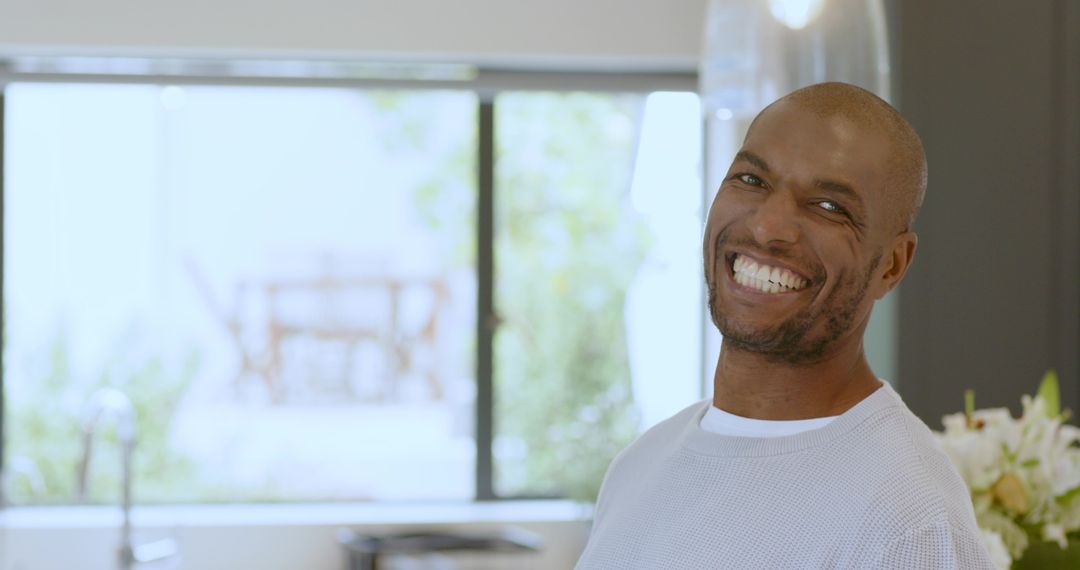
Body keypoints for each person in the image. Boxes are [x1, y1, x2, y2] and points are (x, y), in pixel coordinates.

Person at [575, 82, 996, 569]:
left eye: (829, 207)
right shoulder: (639, 465)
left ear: (892, 265)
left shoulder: (909, 521)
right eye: (751, 179)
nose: (767, 227)